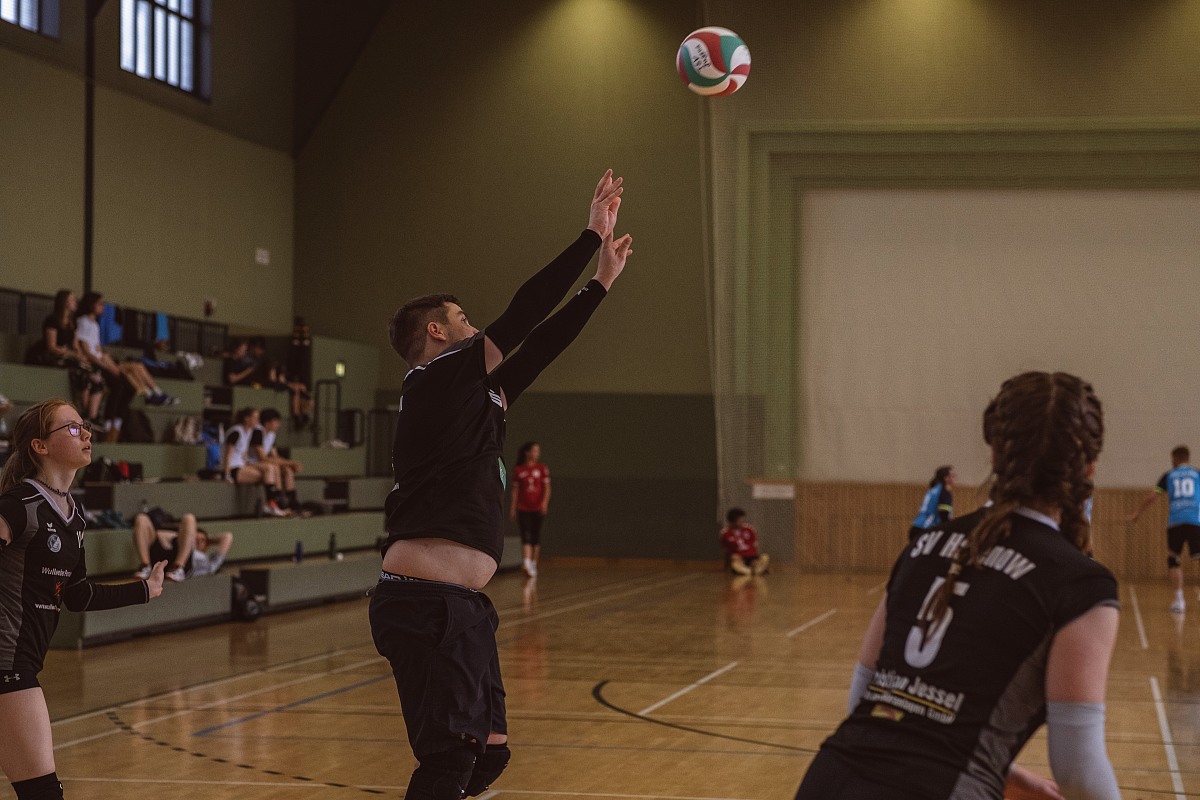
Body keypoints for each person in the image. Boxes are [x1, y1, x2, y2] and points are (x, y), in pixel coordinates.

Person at [370, 170, 631, 800]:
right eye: (462, 319)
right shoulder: (433, 380)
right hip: (427, 604)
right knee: (450, 761)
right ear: (437, 332)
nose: (474, 325)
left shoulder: (477, 394)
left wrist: (599, 283)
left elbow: (540, 346)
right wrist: (588, 237)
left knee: (489, 755)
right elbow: (525, 313)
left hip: (458, 606)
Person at [794, 371, 1119, 800]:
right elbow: (1078, 770)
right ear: (1090, 467)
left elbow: (865, 703)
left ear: (995, 453)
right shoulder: (1082, 583)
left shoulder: (923, 546)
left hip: (829, 780)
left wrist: (1006, 775)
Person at [0, 399, 166, 799]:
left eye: (85, 426)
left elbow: (78, 595)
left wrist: (144, 589)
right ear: (40, 446)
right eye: (73, 428)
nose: (86, 434)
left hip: (21, 662)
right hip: (7, 664)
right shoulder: (20, 505)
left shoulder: (73, 516)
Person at [1128, 445, 1200, 613]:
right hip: (1195, 521)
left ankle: (1180, 601)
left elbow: (1154, 496)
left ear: (1175, 458)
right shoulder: (1197, 474)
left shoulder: (1168, 476)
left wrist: (1138, 513)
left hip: (1176, 522)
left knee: (1174, 559)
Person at [221, 407, 289, 517]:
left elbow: (243, 454)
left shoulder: (248, 432)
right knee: (268, 471)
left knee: (270, 470)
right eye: (255, 418)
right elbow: (227, 455)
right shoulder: (236, 432)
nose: (258, 421)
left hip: (242, 466)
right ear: (246, 419)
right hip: (233, 468)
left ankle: (273, 503)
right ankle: (272, 503)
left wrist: (248, 463)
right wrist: (227, 475)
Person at [132, 510, 233, 583]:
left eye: (203, 541)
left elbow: (227, 537)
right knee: (141, 518)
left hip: (183, 564)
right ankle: (145, 566)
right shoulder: (179, 539)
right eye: (198, 538)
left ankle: (178, 568)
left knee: (189, 518)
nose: (199, 541)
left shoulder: (207, 562)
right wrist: (187, 537)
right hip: (159, 558)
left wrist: (208, 541)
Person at [248, 408, 303, 511]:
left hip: (263, 463)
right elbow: (262, 458)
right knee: (275, 467)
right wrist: (291, 462)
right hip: (251, 462)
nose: (279, 425)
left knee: (287, 470)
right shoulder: (258, 432)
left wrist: (289, 464)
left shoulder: (271, 435)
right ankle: (277, 500)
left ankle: (292, 500)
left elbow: (274, 456)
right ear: (267, 422)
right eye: (276, 422)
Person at [509, 441, 550, 577]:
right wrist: (513, 507)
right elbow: (515, 490)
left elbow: (547, 488)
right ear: (527, 452)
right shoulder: (519, 470)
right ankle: (526, 563)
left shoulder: (542, 468)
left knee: (535, 536)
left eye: (538, 451)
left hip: (537, 507)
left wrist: (544, 503)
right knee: (525, 534)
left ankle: (533, 563)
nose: (537, 453)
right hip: (523, 507)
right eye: (534, 450)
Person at [908, 465, 955, 542]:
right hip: (925, 530)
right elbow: (944, 515)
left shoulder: (933, 489)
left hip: (917, 527)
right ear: (946, 478)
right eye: (953, 476)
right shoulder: (944, 492)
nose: (955, 478)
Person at [719, 507, 769, 576]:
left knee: (765, 557)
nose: (742, 522)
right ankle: (748, 571)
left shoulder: (749, 529)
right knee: (735, 562)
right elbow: (726, 549)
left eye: (742, 519)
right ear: (732, 521)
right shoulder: (725, 533)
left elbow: (754, 545)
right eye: (739, 520)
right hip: (738, 557)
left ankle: (755, 568)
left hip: (751, 556)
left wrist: (755, 556)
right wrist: (728, 563)